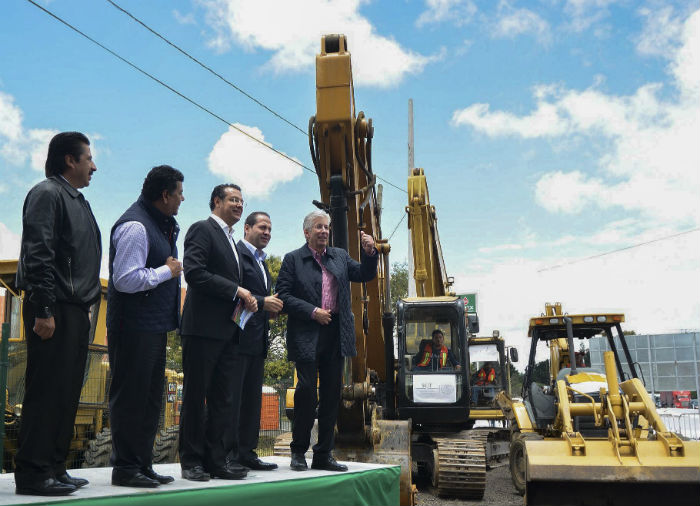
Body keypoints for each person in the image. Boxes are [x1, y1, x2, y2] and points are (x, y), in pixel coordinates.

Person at [14, 132, 101, 496]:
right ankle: (34, 474)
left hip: (76, 309)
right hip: (55, 308)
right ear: (70, 160)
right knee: (47, 392)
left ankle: (54, 466)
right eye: (88, 159)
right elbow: (39, 254)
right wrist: (45, 309)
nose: (93, 166)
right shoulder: (48, 194)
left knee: (66, 394)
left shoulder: (77, 201)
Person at [276, 210, 378, 473]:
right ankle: (299, 451)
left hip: (335, 333)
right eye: (318, 227)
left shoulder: (340, 257)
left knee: (332, 395)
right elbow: (283, 297)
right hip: (307, 332)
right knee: (307, 391)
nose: (324, 231)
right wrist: (312, 311)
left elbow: (365, 274)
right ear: (307, 232)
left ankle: (324, 455)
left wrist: (370, 253)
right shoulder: (293, 259)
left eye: (326, 227)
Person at [106, 165, 185, 488]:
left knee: (151, 399)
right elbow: (125, 280)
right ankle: (125, 467)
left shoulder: (159, 224)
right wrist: (166, 272)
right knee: (132, 397)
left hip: (152, 327)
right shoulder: (136, 226)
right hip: (132, 326)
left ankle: (142, 463)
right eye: (179, 193)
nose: (182, 198)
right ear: (165, 195)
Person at [178, 184, 257, 482]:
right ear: (216, 201)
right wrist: (237, 290)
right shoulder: (203, 230)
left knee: (223, 399)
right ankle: (192, 461)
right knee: (197, 397)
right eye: (233, 199)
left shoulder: (232, 241)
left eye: (241, 200)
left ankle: (216, 460)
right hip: (202, 331)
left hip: (228, 332)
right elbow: (194, 272)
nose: (239, 204)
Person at [225, 212, 283, 471]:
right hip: (236, 340)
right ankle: (228, 456)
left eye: (270, 228)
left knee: (251, 402)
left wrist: (267, 307)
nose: (267, 232)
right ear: (246, 228)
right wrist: (262, 301)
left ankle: (247, 453)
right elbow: (231, 294)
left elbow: (255, 301)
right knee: (233, 401)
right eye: (262, 227)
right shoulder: (236, 255)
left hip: (257, 342)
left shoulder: (262, 262)